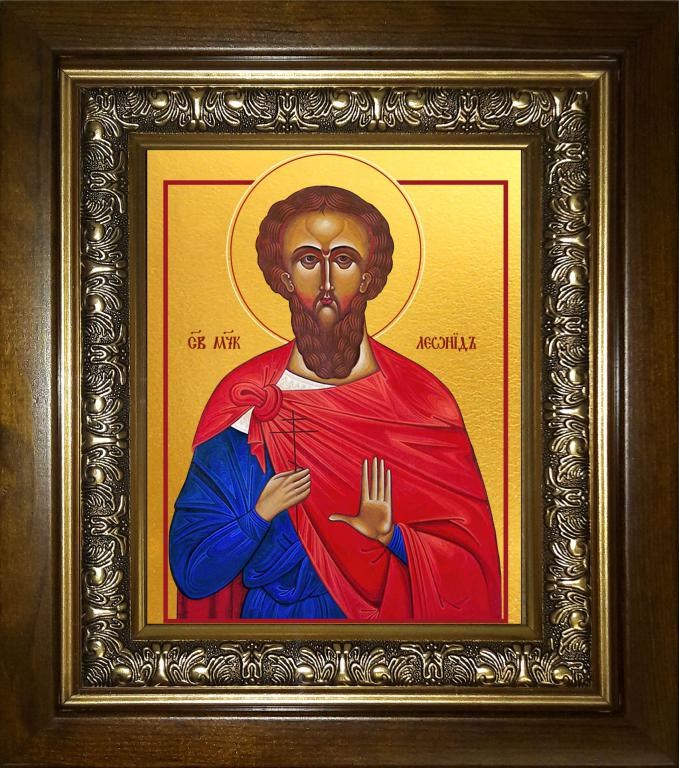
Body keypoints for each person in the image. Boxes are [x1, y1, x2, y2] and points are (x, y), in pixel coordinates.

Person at [169, 185, 501, 622]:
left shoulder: (422, 402)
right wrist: (259, 515)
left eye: (343, 260)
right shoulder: (247, 402)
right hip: (269, 635)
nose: (326, 283)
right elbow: (193, 571)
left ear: (368, 277)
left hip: (381, 641)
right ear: (284, 278)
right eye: (308, 260)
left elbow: (472, 572)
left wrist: (394, 538)